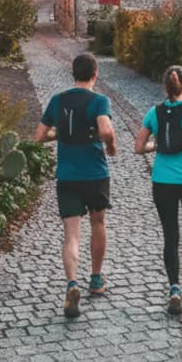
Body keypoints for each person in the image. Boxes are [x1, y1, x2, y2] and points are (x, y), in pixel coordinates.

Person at [34, 52, 117, 318]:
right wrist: (112, 146)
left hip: (67, 175)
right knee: (98, 223)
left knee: (71, 234)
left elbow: (39, 136)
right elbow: (105, 130)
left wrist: (63, 133)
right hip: (95, 174)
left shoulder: (58, 101)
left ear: (73, 74)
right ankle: (95, 278)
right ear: (95, 75)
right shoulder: (99, 101)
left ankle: (71, 283)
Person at [135, 65, 182, 314]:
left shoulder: (153, 113)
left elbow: (138, 146)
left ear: (164, 87)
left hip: (163, 180)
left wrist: (156, 146)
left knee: (170, 233)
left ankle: (174, 288)